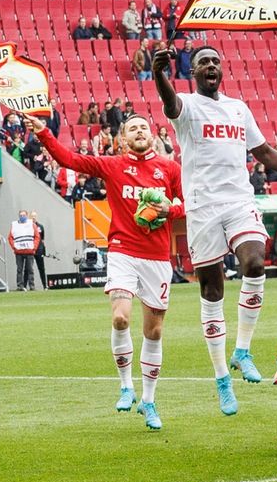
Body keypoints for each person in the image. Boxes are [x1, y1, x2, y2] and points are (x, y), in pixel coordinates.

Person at [151, 43, 277, 414]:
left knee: (256, 263)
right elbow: (169, 104)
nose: (210, 66)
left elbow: (264, 153)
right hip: (201, 207)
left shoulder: (238, 108)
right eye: (202, 63)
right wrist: (159, 72)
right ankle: (221, 379)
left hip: (239, 201)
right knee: (212, 291)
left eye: (215, 61)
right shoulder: (186, 105)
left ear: (221, 70)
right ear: (193, 72)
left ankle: (243, 350)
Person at [27, 113, 185, 429]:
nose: (140, 131)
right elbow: (69, 159)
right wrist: (44, 133)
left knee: (153, 332)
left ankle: (149, 401)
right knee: (120, 316)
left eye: (144, 127)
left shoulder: (169, 168)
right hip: (123, 251)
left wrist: (170, 209)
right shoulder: (112, 166)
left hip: (157, 258)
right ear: (122, 139)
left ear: (153, 136)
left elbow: (187, 201)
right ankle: (126, 385)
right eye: (132, 128)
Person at [8, 210, 42, 288]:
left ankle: (31, 286)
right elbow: (10, 237)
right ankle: (20, 286)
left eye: (24, 215)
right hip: (19, 251)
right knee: (19, 270)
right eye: (21, 215)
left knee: (30, 269)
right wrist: (14, 247)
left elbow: (37, 236)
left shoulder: (32, 224)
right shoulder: (14, 225)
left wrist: (34, 247)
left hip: (29, 250)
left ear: (27, 216)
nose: (22, 217)